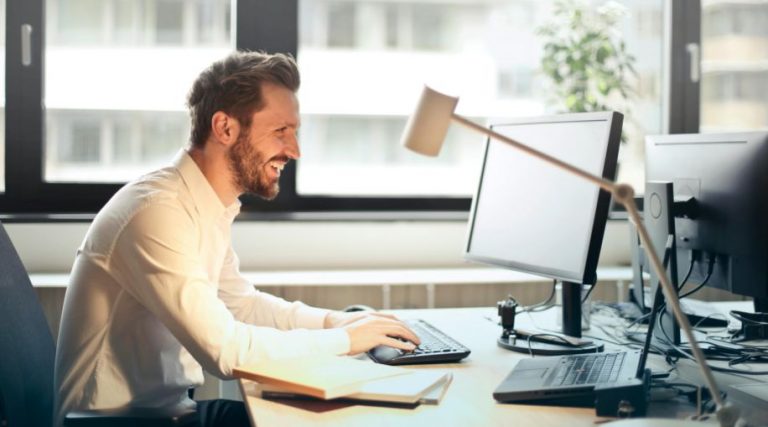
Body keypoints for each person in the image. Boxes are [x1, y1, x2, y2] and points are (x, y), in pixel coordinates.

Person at [53, 51, 420, 427]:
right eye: (281, 131)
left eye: (295, 132)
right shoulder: (156, 213)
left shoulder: (203, 205)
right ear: (225, 128)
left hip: (170, 413)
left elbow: (240, 305)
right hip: (119, 423)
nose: (294, 150)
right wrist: (346, 341)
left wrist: (336, 322)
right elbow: (226, 352)